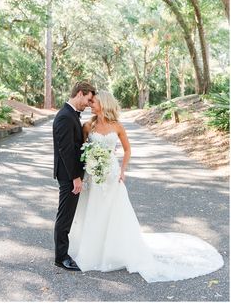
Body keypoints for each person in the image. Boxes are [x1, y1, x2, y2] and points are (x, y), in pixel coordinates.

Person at [68, 90, 224, 282]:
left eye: (94, 101)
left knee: (113, 212)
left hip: (112, 175)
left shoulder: (117, 126)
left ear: (104, 104)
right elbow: (84, 150)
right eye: (90, 101)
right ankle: (92, 249)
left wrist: (123, 170)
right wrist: (86, 169)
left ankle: (113, 250)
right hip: (93, 175)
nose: (91, 104)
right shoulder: (88, 126)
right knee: (93, 210)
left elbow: (127, 149)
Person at [53, 81, 96, 271]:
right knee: (65, 216)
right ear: (80, 93)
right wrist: (75, 178)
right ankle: (61, 257)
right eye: (88, 99)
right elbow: (66, 151)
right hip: (68, 176)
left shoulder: (71, 115)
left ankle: (62, 253)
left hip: (71, 174)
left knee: (68, 214)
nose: (88, 103)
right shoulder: (64, 116)